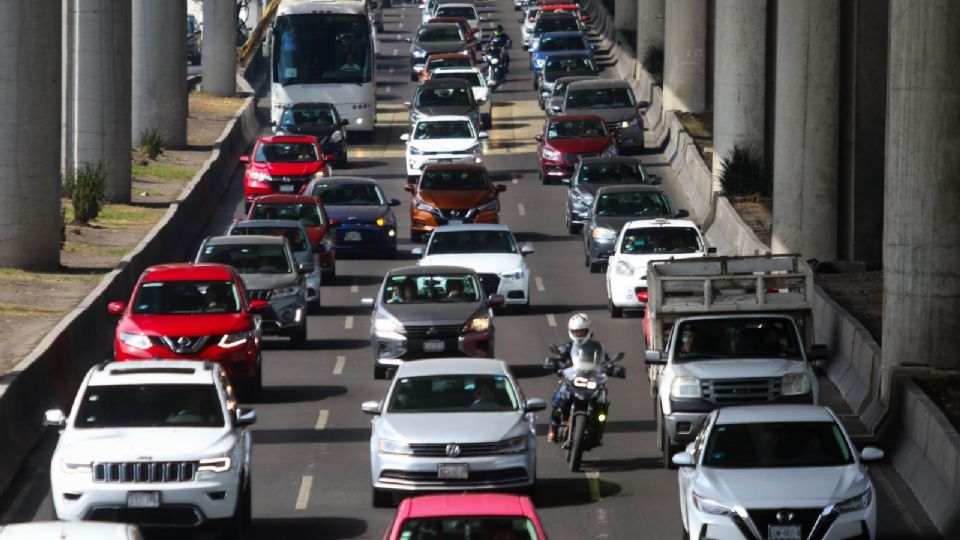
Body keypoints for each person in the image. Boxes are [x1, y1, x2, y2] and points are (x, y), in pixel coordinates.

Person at [547, 313, 605, 442]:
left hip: (592, 379)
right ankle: (554, 427)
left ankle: (597, 428)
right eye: (576, 332)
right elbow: (558, 358)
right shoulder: (567, 347)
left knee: (602, 401)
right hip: (574, 378)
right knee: (560, 399)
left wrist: (611, 367)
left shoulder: (596, 347)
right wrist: (557, 364)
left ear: (588, 330)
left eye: (581, 332)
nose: (579, 335)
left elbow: (604, 360)